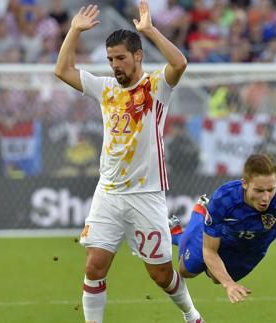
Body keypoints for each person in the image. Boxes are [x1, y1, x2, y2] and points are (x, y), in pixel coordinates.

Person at [54, 2, 203, 323]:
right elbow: (62, 71)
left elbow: (180, 62)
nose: (114, 65)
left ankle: (191, 315)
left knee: (161, 274)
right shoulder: (106, 88)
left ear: (138, 56)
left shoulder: (156, 86)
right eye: (110, 59)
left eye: (120, 58)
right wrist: (75, 31)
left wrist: (149, 31)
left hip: (146, 194)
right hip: (107, 192)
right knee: (94, 265)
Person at [171, 154, 276, 323]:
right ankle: (199, 213)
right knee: (186, 271)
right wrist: (228, 284)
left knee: (215, 277)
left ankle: (179, 234)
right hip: (220, 238)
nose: (266, 198)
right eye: (259, 190)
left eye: (271, 189)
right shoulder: (224, 198)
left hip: (252, 250)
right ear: (244, 183)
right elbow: (209, 250)